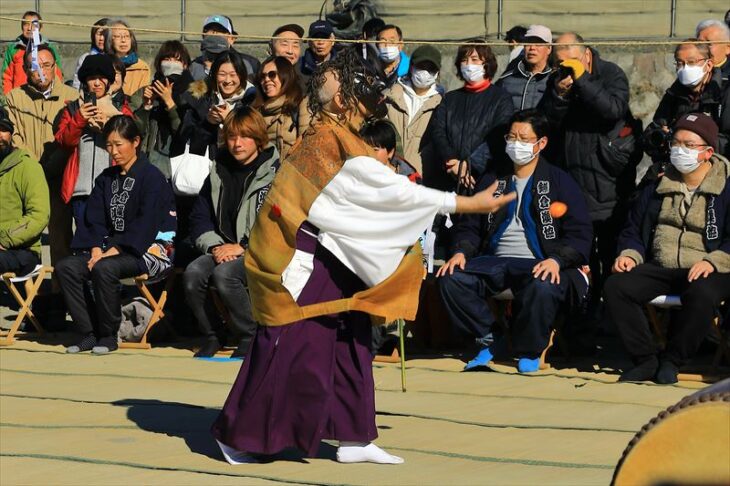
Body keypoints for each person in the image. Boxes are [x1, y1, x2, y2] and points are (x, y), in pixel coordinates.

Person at [211, 47, 515, 466]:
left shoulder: (342, 135)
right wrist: (465, 204)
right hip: (304, 255)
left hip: (338, 253)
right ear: (340, 100)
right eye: (353, 88)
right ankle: (241, 433)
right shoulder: (326, 139)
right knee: (291, 344)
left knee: (352, 341)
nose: (363, 95)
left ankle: (354, 434)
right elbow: (392, 191)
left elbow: (383, 190)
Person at [437, 109, 592, 373]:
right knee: (450, 277)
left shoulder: (559, 181)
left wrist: (557, 259)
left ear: (541, 143)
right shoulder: (493, 179)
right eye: (511, 137)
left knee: (544, 285)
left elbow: (580, 233)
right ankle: (490, 338)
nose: (515, 144)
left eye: (523, 138)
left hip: (540, 262)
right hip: (494, 261)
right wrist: (461, 251)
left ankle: (529, 350)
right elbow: (470, 224)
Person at [605, 113, 730, 384]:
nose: (679, 149)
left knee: (703, 293)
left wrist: (713, 261)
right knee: (617, 287)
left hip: (710, 267)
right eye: (676, 142)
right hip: (661, 265)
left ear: (708, 152)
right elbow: (633, 229)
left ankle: (673, 360)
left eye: (688, 144)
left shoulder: (726, 186)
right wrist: (629, 254)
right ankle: (645, 359)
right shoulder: (657, 184)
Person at [56, 115, 176, 355]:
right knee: (67, 267)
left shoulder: (152, 177)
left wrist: (111, 251)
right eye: (109, 145)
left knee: (104, 268)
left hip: (149, 248)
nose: (114, 151)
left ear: (136, 142)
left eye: (119, 144)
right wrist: (96, 248)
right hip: (109, 249)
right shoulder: (106, 179)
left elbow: (147, 222)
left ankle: (109, 333)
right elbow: (94, 218)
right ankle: (89, 332)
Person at [539, 32, 634, 330]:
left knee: (608, 250)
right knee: (579, 250)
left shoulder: (610, 74)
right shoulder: (558, 77)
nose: (563, 65)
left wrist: (583, 81)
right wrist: (560, 93)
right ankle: (582, 315)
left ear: (585, 54)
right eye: (558, 61)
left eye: (569, 59)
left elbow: (612, 111)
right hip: (570, 177)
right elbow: (547, 120)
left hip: (606, 177)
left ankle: (610, 316)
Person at [185, 106, 280, 358]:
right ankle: (214, 334)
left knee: (225, 275)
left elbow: (277, 223)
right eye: (231, 137)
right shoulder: (217, 171)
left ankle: (250, 334)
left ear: (258, 138)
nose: (237, 144)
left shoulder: (276, 173)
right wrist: (215, 246)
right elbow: (200, 216)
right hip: (222, 247)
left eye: (245, 136)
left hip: (262, 251)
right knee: (194, 273)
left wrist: (244, 246)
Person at [5, 44, 78, 292]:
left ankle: (61, 293)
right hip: (26, 176)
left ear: (55, 66)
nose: (42, 72)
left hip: (58, 176)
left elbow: (69, 136)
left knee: (60, 237)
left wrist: (52, 164)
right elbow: (14, 136)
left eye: (47, 65)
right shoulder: (15, 97)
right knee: (26, 237)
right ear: (26, 70)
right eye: (35, 67)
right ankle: (29, 296)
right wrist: (33, 169)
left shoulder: (70, 95)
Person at [172, 49, 256, 262]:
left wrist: (231, 121)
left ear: (242, 75)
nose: (228, 81)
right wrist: (208, 123)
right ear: (213, 74)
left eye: (233, 74)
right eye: (222, 74)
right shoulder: (201, 97)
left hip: (238, 176)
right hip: (204, 177)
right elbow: (185, 136)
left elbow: (257, 137)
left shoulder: (253, 99)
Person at [56, 54, 134, 225]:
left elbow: (132, 143)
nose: (97, 83)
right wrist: (79, 119)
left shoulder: (121, 109)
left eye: (101, 78)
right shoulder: (73, 108)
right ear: (85, 81)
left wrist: (109, 123)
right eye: (92, 78)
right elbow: (64, 142)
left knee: (109, 243)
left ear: (109, 81)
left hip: (113, 188)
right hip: (81, 190)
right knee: (84, 243)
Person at [429, 39, 514, 192]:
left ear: (487, 64)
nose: (468, 64)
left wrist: (469, 164)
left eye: (474, 60)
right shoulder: (450, 98)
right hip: (450, 177)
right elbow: (438, 131)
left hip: (486, 177)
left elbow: (498, 136)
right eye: (464, 60)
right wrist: (452, 161)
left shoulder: (501, 98)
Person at [644, 39, 728, 165]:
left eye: (691, 62)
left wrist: (689, 141)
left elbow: (727, 142)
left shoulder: (724, 92)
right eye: (679, 63)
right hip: (672, 166)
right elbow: (652, 133)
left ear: (709, 65)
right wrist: (663, 140)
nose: (685, 68)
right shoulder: (674, 92)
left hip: (714, 167)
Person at [0, 108, 50, 276]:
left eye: (4, 129)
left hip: (22, 249)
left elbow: (39, 215)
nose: (0, 135)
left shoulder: (27, 166)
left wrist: (5, 239)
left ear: (11, 134)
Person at [135, 40, 194, 179]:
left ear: (185, 65)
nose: (171, 63)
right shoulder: (147, 91)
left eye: (177, 60)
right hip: (148, 165)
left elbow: (184, 133)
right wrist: (147, 106)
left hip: (177, 167)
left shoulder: (192, 94)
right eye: (167, 59)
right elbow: (136, 130)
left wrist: (169, 102)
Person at [384, 45, 442, 178]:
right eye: (421, 66)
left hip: (422, 180)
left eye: (430, 68)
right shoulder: (390, 97)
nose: (424, 73)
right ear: (411, 67)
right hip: (388, 175)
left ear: (437, 72)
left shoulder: (442, 104)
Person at [254, 56, 307, 160]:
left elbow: (308, 143)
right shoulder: (256, 112)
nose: (267, 80)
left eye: (272, 75)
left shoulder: (301, 104)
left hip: (291, 171)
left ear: (285, 76)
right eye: (262, 76)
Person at [2, 11, 63, 94]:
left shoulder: (49, 48)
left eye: (34, 24)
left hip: (46, 99)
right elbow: (6, 78)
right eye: (26, 24)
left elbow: (57, 75)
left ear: (40, 27)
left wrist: (56, 97)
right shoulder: (13, 49)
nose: (30, 28)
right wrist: (7, 101)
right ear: (22, 27)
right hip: (19, 99)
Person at [496, 25, 553, 110]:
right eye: (528, 43)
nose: (532, 48)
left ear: (549, 48)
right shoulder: (506, 80)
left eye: (538, 43)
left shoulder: (555, 81)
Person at [190, 15, 260, 82]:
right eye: (210, 30)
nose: (215, 34)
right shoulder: (194, 66)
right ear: (203, 36)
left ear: (231, 38)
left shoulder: (247, 64)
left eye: (220, 31)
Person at [104, 18, 150, 96]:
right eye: (118, 36)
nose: (123, 40)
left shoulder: (142, 67)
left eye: (127, 36)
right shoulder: (103, 64)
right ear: (110, 40)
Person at [72, 18, 109, 90]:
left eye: (105, 35)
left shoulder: (116, 58)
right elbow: (77, 85)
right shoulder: (85, 58)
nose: (101, 38)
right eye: (99, 34)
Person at [696, 19, 730, 83]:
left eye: (709, 44)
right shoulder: (690, 68)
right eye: (699, 43)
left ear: (728, 48)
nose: (703, 49)